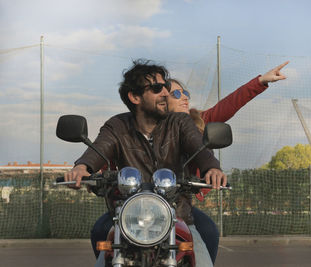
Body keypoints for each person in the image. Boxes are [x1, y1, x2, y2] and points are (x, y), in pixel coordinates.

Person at [64, 59, 227, 267]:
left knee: (202, 263)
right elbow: (99, 148)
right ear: (135, 97)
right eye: (158, 88)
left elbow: (198, 146)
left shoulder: (180, 123)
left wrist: (211, 168)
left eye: (166, 87)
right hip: (130, 221)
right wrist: (82, 168)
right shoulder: (117, 126)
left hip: (176, 218)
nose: (166, 93)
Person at [167, 61, 289, 264]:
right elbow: (118, 149)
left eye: (185, 93)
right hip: (144, 201)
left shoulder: (199, 121)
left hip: (179, 203)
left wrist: (260, 81)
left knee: (209, 231)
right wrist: (95, 169)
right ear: (162, 102)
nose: (185, 98)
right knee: (102, 229)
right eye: (177, 95)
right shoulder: (149, 128)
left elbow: (229, 105)